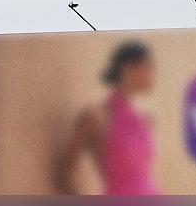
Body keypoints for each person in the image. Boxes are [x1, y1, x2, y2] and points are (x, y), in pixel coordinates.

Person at [63, 41, 159, 197]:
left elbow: (142, 175)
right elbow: (66, 171)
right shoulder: (96, 116)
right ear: (128, 69)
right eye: (148, 66)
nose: (152, 73)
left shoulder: (146, 119)